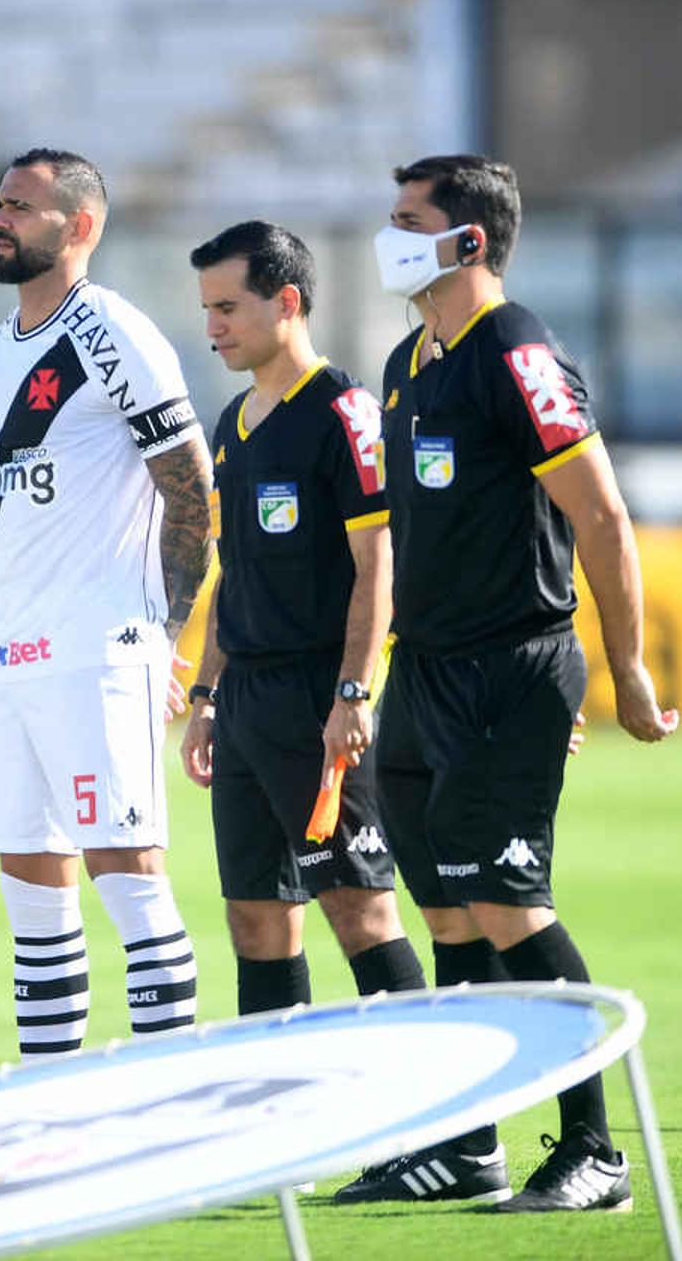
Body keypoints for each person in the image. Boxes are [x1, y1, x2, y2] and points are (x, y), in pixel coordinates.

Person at [333, 154, 678, 1211]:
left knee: (508, 903)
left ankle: (598, 1151)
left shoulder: (515, 348)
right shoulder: (406, 360)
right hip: (425, 677)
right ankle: (466, 1145)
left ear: (467, 240)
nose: (388, 235)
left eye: (407, 220)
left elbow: (602, 515)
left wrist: (620, 670)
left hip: (509, 665)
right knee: (445, 912)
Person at [0, 148, 212, 1056]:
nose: (0, 217)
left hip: (96, 649)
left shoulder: (113, 331)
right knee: (30, 886)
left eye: (22, 207)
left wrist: (164, 632)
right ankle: (52, 1103)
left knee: (129, 876)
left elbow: (190, 488)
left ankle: (160, 1099)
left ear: (80, 227)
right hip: (6, 650)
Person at [177, 221, 428, 1016]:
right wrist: (207, 698)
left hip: (318, 697)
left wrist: (353, 694)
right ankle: (281, 1121)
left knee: (357, 906)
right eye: (206, 307)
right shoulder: (233, 426)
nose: (211, 326)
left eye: (227, 307)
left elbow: (376, 563)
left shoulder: (343, 411)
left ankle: (440, 1132)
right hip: (246, 701)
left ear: (286, 302)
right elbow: (234, 573)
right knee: (254, 917)